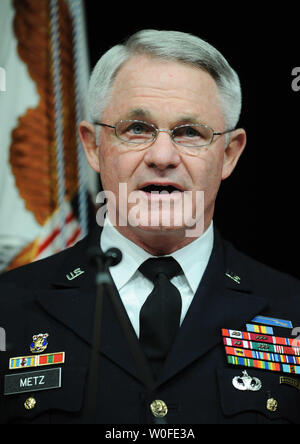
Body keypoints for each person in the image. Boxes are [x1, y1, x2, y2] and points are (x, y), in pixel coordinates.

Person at [1, 29, 300, 425]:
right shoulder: (9, 307)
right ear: (92, 146)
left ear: (229, 154)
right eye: (136, 128)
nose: (162, 156)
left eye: (190, 133)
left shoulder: (292, 308)